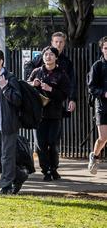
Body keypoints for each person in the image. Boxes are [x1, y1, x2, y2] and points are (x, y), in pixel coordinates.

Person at [0, 48, 28, 194]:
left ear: (1, 61)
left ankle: (6, 185)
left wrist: (5, 87)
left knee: (7, 154)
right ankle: (19, 175)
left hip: (8, 123)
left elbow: (18, 100)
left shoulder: (10, 78)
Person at [28, 46, 71, 181]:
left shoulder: (61, 74)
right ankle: (45, 170)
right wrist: (32, 84)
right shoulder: (36, 72)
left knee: (52, 143)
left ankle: (54, 168)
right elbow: (26, 90)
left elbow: (64, 94)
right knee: (40, 144)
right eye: (46, 54)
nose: (48, 57)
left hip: (54, 114)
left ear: (56, 57)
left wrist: (50, 89)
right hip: (39, 115)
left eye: (51, 55)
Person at [26, 32, 77, 114]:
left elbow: (71, 82)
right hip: (40, 100)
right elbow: (28, 66)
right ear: (52, 43)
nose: (58, 44)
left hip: (56, 99)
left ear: (64, 43)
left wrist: (72, 99)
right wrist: (35, 79)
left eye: (61, 42)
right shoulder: (43, 56)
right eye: (56, 42)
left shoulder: (66, 62)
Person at [88, 36, 107, 174]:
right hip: (102, 105)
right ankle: (94, 156)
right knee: (103, 137)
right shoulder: (97, 66)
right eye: (106, 48)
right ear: (102, 49)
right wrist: (104, 93)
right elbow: (91, 87)